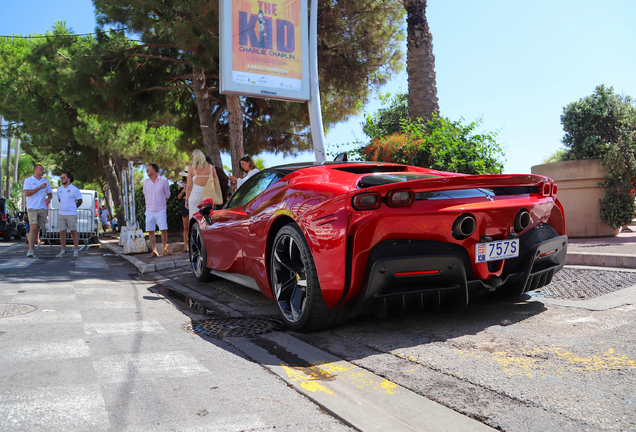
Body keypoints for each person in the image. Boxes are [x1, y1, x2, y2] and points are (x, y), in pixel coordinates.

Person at [23, 164, 53, 258]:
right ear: (35, 170)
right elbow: (27, 193)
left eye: (43, 169)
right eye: (40, 169)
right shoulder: (28, 180)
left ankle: (32, 246)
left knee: (37, 229)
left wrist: (49, 198)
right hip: (32, 207)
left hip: (42, 208)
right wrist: (39, 187)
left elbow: (50, 193)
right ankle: (30, 250)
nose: (42, 171)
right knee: (33, 227)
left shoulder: (45, 181)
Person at [143, 163, 171, 257]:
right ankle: (154, 250)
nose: (146, 171)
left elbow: (167, 195)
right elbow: (145, 194)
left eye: (148, 170)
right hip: (149, 210)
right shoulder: (146, 182)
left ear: (153, 171)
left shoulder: (164, 181)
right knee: (150, 230)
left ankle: (164, 249)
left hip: (160, 209)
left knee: (163, 229)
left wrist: (161, 204)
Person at [185, 150, 219, 220]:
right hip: (207, 198)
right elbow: (217, 183)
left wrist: (186, 200)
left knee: (194, 220)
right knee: (207, 220)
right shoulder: (211, 167)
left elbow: (189, 187)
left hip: (195, 197)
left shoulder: (191, 168)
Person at [56, 173, 83, 257]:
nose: (62, 179)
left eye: (63, 178)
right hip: (61, 214)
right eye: (61, 178)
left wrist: (73, 207)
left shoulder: (74, 189)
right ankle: (63, 250)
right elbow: (60, 200)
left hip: (71, 214)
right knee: (62, 232)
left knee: (73, 232)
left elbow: (80, 201)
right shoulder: (59, 189)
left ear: (69, 179)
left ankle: (76, 250)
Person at [177, 166, 189, 253]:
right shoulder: (181, 184)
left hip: (192, 203)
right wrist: (183, 191)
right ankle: (186, 245)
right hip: (185, 205)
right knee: (185, 227)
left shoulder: (195, 182)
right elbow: (179, 197)